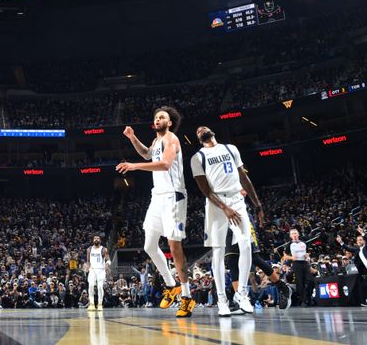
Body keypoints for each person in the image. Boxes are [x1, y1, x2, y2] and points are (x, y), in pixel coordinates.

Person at [118, 106, 194, 318]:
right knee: (149, 245)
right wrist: (132, 138)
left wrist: (134, 167)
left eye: (163, 117)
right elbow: (147, 154)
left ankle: (187, 296)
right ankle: (171, 286)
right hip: (157, 196)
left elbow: (165, 164)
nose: (158, 119)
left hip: (173, 195)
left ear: (169, 123)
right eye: (156, 117)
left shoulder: (172, 139)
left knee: (174, 246)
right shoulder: (155, 141)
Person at [190, 125, 254, 317]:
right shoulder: (197, 158)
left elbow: (244, 177)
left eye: (204, 128)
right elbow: (206, 191)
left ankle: (241, 293)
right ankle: (222, 300)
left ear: (213, 131)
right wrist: (225, 208)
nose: (202, 130)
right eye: (198, 131)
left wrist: (257, 204)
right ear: (198, 138)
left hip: (236, 198)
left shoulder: (230, 148)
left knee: (246, 245)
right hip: (216, 203)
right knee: (218, 252)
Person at [283, 229, 311, 306]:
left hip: (304, 263)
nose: (294, 235)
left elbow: (307, 252)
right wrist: (292, 258)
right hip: (296, 263)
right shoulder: (289, 244)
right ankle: (303, 301)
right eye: (292, 234)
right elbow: (285, 256)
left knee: (309, 280)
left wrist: (307, 255)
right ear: (290, 236)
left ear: (298, 234)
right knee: (299, 282)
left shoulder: (303, 243)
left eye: (295, 233)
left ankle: (308, 297)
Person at [85, 235, 109, 311]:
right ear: (93, 240)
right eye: (95, 238)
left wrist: (107, 264)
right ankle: (91, 304)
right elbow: (88, 260)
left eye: (98, 238)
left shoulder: (104, 249)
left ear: (100, 240)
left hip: (101, 270)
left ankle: (100, 304)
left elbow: (108, 259)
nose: (96, 239)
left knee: (100, 287)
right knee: (91, 285)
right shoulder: (89, 249)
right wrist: (87, 267)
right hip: (92, 269)